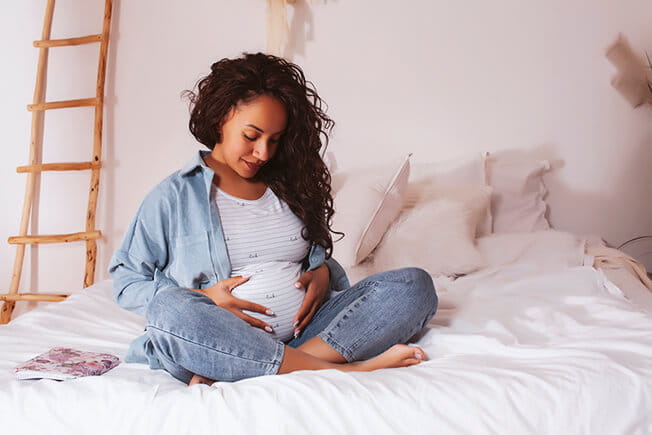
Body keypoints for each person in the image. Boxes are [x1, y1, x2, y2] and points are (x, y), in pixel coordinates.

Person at [108, 52, 438, 386]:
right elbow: (126, 281)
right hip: (217, 339)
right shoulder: (173, 196)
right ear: (220, 117)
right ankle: (344, 371)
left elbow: (307, 259)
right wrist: (206, 299)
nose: (263, 153)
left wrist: (323, 273)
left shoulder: (289, 186)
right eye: (251, 136)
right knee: (170, 312)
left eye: (275, 140)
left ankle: (266, 366)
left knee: (414, 286)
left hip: (307, 333)